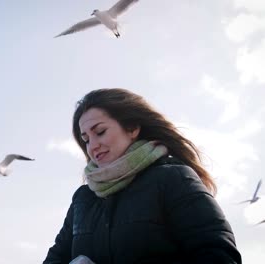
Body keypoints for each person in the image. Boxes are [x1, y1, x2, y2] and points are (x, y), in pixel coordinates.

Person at [43, 88, 241, 264]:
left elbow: (219, 256)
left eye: (100, 132)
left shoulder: (173, 178)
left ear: (132, 128)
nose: (92, 146)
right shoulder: (83, 199)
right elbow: (55, 258)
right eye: (85, 139)